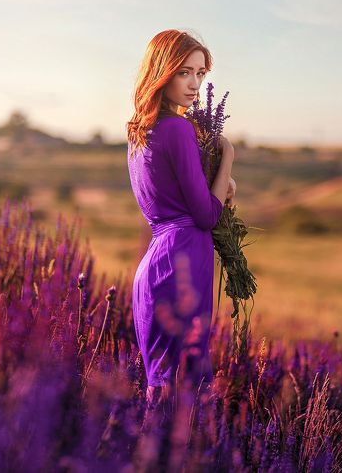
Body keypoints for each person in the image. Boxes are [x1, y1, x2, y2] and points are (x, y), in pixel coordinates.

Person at [126, 29, 236, 413]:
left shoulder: (139, 131)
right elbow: (206, 215)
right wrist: (228, 158)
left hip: (154, 267)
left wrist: (219, 184)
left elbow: (171, 198)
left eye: (201, 74)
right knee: (180, 402)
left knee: (159, 397)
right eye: (184, 73)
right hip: (182, 263)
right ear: (162, 72)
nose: (195, 85)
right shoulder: (177, 129)